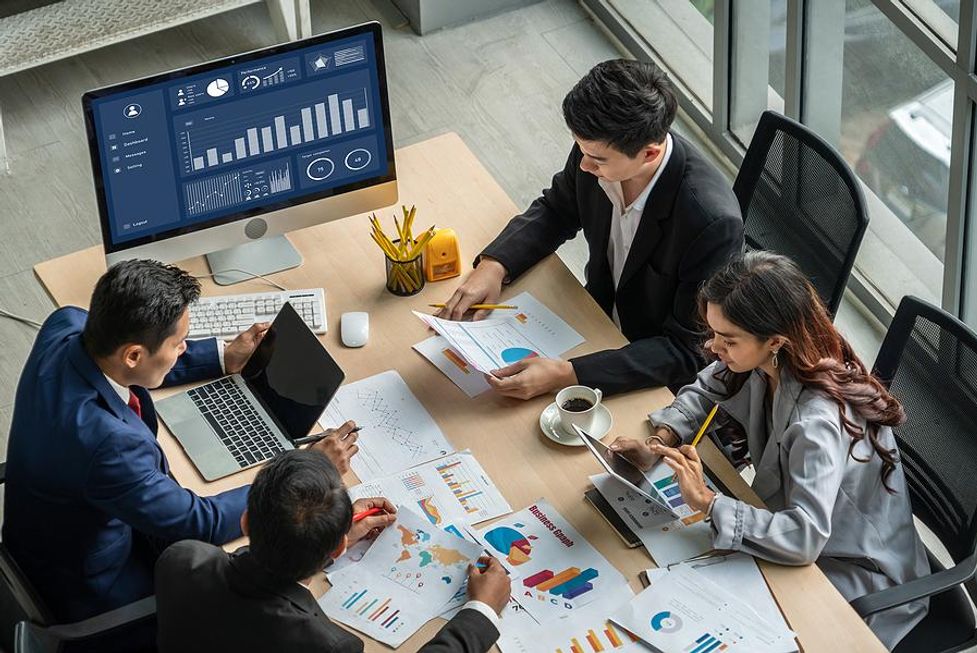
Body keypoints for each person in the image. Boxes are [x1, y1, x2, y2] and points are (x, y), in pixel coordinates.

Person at [2, 260, 360, 623]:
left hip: (37, 532)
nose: (184, 348)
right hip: (91, 589)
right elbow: (199, 522)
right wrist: (310, 474)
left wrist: (223, 356)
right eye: (178, 344)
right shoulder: (108, 447)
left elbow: (131, 365)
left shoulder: (65, 325)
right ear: (134, 355)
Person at [608, 251, 929, 650]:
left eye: (728, 340)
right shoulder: (769, 359)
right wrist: (659, 443)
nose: (713, 347)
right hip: (793, 532)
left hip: (850, 568)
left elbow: (805, 537)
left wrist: (708, 503)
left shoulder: (817, 424)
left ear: (774, 340)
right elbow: (706, 390)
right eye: (713, 333)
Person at [438, 59, 743, 399]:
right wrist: (496, 266)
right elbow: (557, 209)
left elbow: (688, 350)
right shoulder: (598, 148)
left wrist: (569, 374)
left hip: (645, 367)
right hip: (592, 319)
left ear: (649, 153)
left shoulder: (711, 223)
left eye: (596, 159)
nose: (584, 164)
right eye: (581, 149)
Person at [155, 449, 510, 652]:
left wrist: (318, 537)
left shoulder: (182, 559)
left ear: (246, 521)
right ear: (341, 546)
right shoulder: (327, 646)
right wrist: (481, 613)